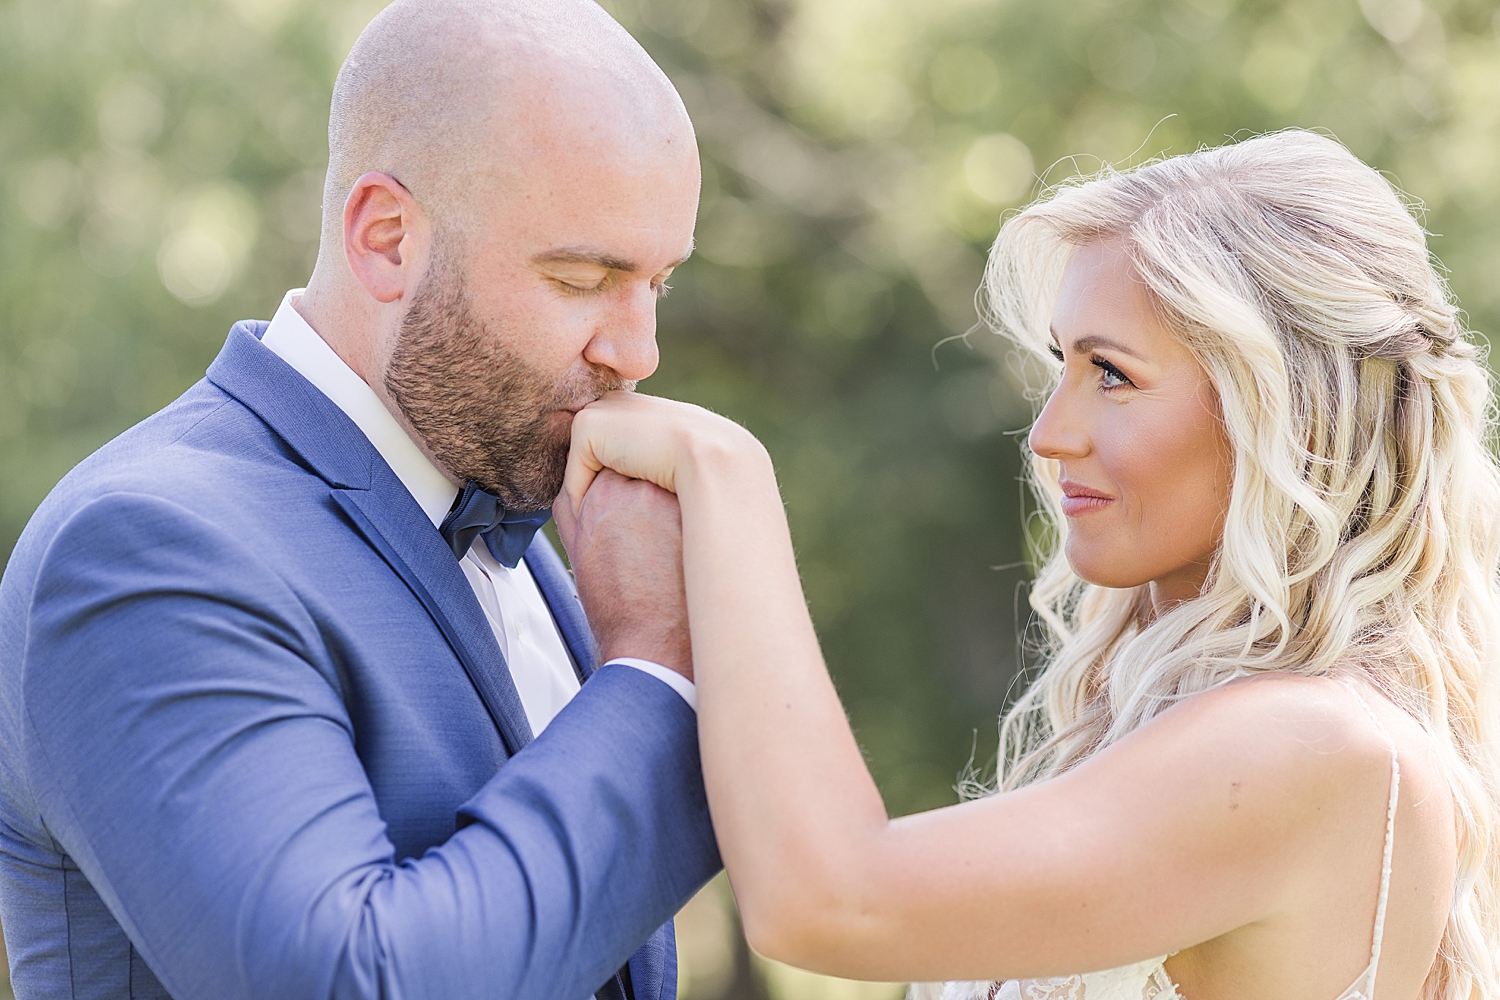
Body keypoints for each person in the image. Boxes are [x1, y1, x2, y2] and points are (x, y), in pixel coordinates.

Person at [557, 130, 1500, 999]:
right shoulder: (1276, 726)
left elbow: (830, 899)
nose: (1049, 435)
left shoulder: (1312, 746)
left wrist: (728, 484)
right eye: (1061, 366)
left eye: (1113, 374)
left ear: (1284, 415)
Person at [0, 1, 717, 998]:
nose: (636, 352)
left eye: (657, 284)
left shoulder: (519, 502)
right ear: (386, 238)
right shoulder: (144, 545)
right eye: (584, 276)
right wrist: (654, 673)